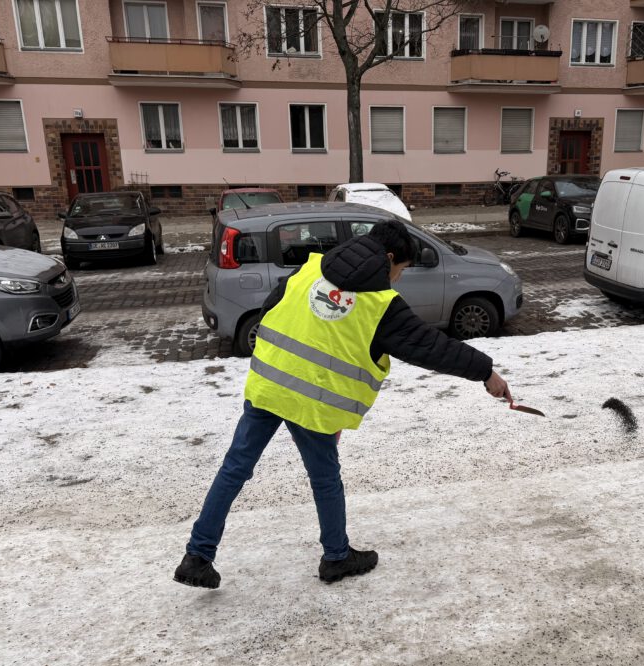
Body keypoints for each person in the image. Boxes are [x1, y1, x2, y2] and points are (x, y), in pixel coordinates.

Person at [174, 220, 511, 588]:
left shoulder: (310, 270)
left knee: (234, 468)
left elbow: (272, 310)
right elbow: (431, 346)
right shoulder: (380, 304)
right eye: (401, 269)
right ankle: (336, 556)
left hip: (269, 384)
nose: (398, 278)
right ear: (389, 257)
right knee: (325, 479)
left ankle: (197, 555)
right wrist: (485, 371)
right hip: (313, 403)